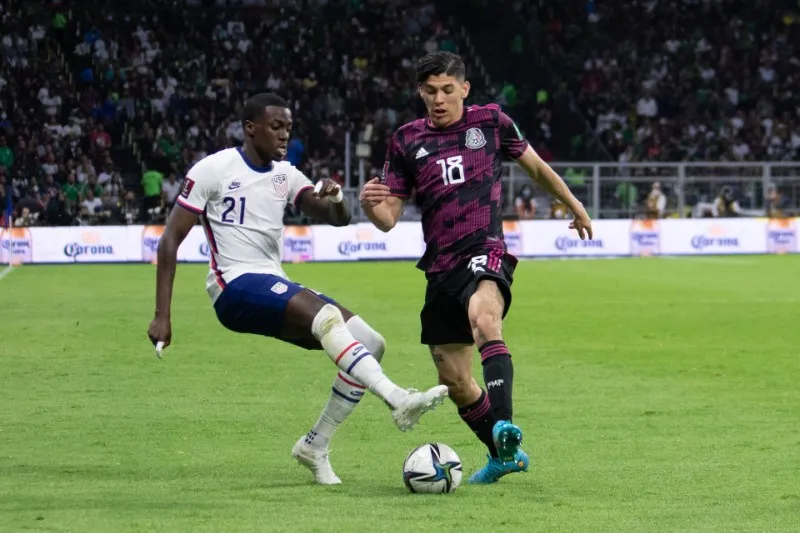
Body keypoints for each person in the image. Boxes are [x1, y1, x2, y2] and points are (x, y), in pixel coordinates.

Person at [147, 93, 447, 486]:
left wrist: (336, 198)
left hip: (272, 280)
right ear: (250, 128)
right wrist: (162, 315)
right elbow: (169, 240)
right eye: (276, 126)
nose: (284, 135)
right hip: (232, 285)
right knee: (327, 317)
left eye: (288, 127)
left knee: (370, 342)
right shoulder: (213, 170)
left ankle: (314, 445)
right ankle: (398, 399)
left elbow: (335, 218)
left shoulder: (286, 175)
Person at [359, 52, 593, 484]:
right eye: (430, 91)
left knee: (485, 319)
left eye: (447, 90)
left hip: (485, 248)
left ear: (464, 88)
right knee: (455, 381)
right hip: (440, 267)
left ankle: (504, 422)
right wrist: (369, 205)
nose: (439, 99)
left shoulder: (491, 122)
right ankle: (504, 455)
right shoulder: (406, 140)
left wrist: (574, 204)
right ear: (420, 92)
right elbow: (388, 218)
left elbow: (536, 167)